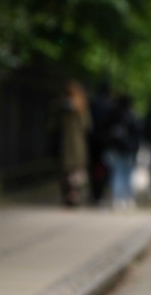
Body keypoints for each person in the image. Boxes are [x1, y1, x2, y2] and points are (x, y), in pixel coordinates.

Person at [58, 79, 93, 207]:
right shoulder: (81, 107)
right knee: (76, 172)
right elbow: (87, 126)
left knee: (68, 172)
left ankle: (70, 195)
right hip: (77, 145)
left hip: (68, 145)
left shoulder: (62, 107)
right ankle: (74, 195)